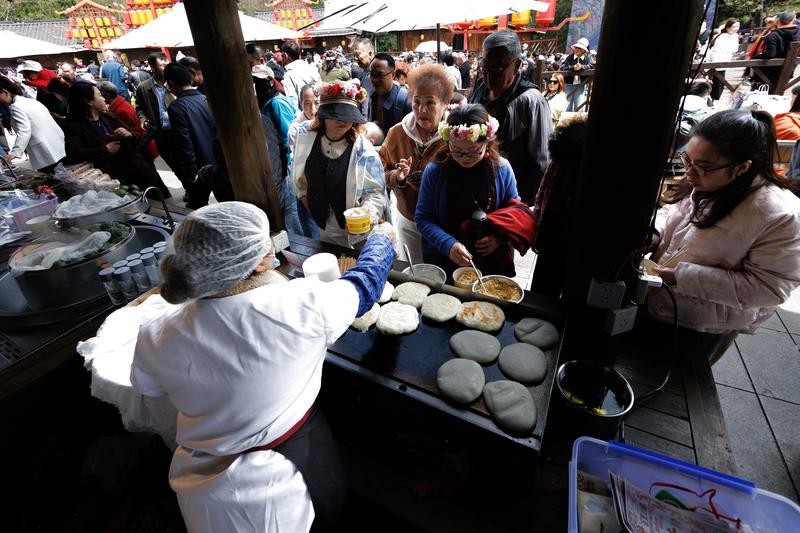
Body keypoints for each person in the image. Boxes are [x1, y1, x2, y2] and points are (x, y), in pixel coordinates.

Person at [131, 201, 396, 532]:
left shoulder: (155, 331)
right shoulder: (296, 306)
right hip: (286, 476)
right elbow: (364, 285)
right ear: (258, 262)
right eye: (265, 240)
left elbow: (149, 386)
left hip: (199, 484)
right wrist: (382, 239)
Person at [650, 110, 800, 363]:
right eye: (687, 159)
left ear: (742, 167)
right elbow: (673, 213)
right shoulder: (706, 181)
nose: (689, 172)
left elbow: (768, 289)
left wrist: (678, 277)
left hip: (704, 325)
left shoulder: (781, 215)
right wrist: (656, 234)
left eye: (703, 167)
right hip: (658, 302)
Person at [415, 103, 532, 277]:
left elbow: (515, 213)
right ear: (448, 142)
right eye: (456, 150)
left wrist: (499, 238)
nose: (465, 158)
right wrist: (448, 245)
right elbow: (423, 218)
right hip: (446, 258)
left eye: (473, 151)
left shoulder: (502, 169)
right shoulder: (435, 172)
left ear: (487, 142)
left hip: (491, 260)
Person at [291, 81, 388, 248]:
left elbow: (375, 193)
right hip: (322, 226)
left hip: (356, 233)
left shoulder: (363, 150)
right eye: (337, 115)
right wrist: (304, 196)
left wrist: (366, 217)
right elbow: (298, 171)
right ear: (323, 115)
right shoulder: (306, 135)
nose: (343, 120)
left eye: (348, 115)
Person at [379, 63, 452, 264]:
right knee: (412, 269)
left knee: (439, 271)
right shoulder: (397, 133)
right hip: (407, 218)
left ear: (445, 103)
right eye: (416, 102)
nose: (421, 110)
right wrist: (396, 177)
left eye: (430, 103)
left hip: (441, 224)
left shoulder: (454, 136)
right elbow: (379, 170)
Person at [469, 30, 551, 204]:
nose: (489, 73)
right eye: (485, 65)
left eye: (498, 67)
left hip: (513, 196)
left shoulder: (530, 100)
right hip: (477, 189)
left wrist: (523, 206)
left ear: (517, 65)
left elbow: (542, 161)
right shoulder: (479, 88)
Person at [62, 82, 170, 196]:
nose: (104, 99)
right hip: (107, 181)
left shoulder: (109, 117)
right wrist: (105, 150)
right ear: (88, 101)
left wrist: (129, 134)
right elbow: (73, 153)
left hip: (135, 171)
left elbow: (138, 136)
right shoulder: (74, 127)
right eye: (99, 95)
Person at [164, 63, 217, 208]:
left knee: (198, 204)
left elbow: (184, 142)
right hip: (217, 161)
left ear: (171, 84)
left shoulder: (177, 107)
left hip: (199, 166)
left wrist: (191, 171)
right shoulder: (205, 99)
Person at [0, 75, 65, 173]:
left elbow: (24, 131)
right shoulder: (30, 102)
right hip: (55, 145)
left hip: (45, 151)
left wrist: (15, 152)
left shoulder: (16, 107)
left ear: (5, 92)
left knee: (54, 176)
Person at [97, 81, 159, 162]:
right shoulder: (120, 104)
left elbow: (137, 132)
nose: (101, 98)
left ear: (107, 96)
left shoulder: (121, 111)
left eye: (100, 95)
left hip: (143, 148)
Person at [753, 11, 799, 93]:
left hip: (769, 73)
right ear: (793, 20)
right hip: (788, 71)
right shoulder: (798, 33)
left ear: (778, 20)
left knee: (761, 91)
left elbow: (770, 54)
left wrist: (753, 58)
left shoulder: (773, 35)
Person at [368, 53, 412, 136]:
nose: (374, 79)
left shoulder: (406, 100)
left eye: (379, 75)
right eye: (372, 74)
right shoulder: (372, 96)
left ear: (393, 75)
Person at [281, 41, 321, 113]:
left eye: (282, 55)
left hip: (305, 115)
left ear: (286, 55)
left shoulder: (289, 75)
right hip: (319, 112)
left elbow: (293, 103)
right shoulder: (312, 68)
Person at [708, 19, 741, 101]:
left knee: (720, 82)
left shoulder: (734, 36)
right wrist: (714, 64)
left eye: (738, 26)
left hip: (724, 62)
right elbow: (716, 51)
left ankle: (714, 99)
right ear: (727, 28)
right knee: (717, 83)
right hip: (717, 62)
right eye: (734, 26)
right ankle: (713, 99)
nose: (736, 28)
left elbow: (735, 49)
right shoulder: (722, 37)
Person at [560, 37, 592, 112]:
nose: (576, 49)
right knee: (567, 106)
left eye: (579, 48)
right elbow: (563, 67)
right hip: (568, 84)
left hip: (581, 85)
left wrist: (582, 67)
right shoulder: (569, 57)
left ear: (584, 50)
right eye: (576, 47)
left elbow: (591, 66)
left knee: (579, 106)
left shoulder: (587, 58)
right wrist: (572, 67)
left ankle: (578, 120)